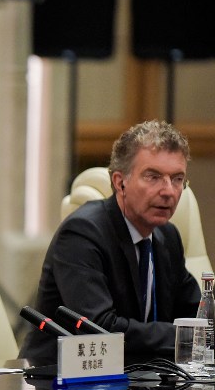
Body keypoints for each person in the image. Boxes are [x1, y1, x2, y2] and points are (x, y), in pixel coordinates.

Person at [19, 119, 205, 366]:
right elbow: (100, 329)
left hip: (139, 381)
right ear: (120, 182)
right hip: (58, 386)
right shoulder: (82, 233)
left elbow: (193, 313)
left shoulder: (167, 237)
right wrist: (187, 335)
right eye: (153, 176)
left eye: (178, 179)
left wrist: (211, 326)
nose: (169, 191)